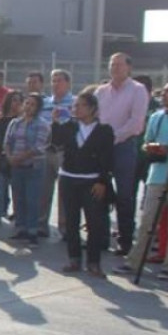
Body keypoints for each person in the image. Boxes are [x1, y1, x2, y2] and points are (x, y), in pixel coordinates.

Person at [114, 77, 168, 280]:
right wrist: (152, 148)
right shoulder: (156, 116)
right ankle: (133, 262)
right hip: (156, 175)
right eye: (164, 91)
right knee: (147, 222)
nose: (163, 95)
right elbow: (145, 142)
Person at [54, 92, 115, 277]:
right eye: (75, 106)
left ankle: (94, 262)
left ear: (92, 108)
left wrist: (102, 181)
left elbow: (107, 158)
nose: (76, 109)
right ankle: (74, 259)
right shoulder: (70, 126)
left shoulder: (104, 130)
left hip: (91, 180)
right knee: (71, 221)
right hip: (69, 178)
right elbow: (56, 142)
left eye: (80, 105)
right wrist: (55, 123)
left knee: (94, 223)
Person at [95, 52, 149, 256]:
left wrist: (112, 138)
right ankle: (100, 237)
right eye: (111, 64)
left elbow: (136, 123)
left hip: (124, 146)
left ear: (129, 68)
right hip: (102, 148)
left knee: (125, 195)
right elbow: (96, 118)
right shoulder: (101, 91)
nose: (114, 68)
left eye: (119, 64)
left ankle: (125, 240)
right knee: (99, 192)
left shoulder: (137, 90)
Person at [4, 93, 51, 245]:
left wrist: (20, 157)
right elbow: (7, 141)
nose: (28, 107)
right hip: (16, 167)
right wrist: (10, 157)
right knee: (19, 199)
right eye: (27, 103)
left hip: (33, 167)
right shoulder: (15, 123)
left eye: (32, 104)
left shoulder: (42, 124)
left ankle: (32, 231)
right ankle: (20, 228)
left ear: (38, 108)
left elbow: (38, 147)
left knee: (32, 199)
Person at [40, 69, 75, 238]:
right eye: (53, 80)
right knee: (44, 190)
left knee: (65, 192)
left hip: (65, 152)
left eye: (59, 80)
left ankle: (65, 227)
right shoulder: (45, 103)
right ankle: (41, 224)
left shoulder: (75, 103)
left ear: (68, 83)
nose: (55, 84)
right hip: (47, 150)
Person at [0, 90, 23, 227]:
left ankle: (17, 214)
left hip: (17, 158)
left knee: (16, 188)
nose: (17, 104)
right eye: (14, 100)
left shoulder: (22, 120)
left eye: (20, 101)